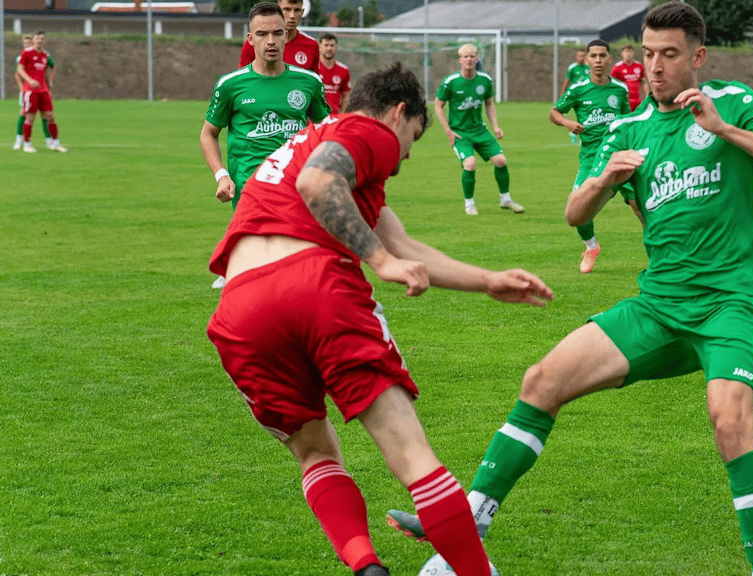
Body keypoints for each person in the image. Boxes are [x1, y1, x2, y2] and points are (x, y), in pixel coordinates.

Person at [386, 4, 753, 576]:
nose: (656, 67)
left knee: (729, 420)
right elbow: (573, 213)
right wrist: (605, 181)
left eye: (669, 54)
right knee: (542, 380)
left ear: (697, 57)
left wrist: (723, 130)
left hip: (727, 305)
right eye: (648, 54)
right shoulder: (629, 129)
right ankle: (467, 533)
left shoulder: (732, 102)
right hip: (658, 307)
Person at [206, 61, 553, 576]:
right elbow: (320, 183)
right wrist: (379, 261)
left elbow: (403, 243)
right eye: (413, 136)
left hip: (239, 310)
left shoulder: (303, 143)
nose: (406, 154)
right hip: (314, 285)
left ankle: (366, 565)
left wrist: (488, 280)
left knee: (314, 453)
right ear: (397, 113)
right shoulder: (367, 131)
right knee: (412, 455)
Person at [201, 2, 331, 212]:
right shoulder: (230, 85)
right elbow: (208, 133)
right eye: (262, 34)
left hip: (296, 190)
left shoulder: (309, 82)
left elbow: (327, 132)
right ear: (250, 39)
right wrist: (221, 175)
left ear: (286, 36)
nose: (271, 41)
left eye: (277, 33)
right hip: (249, 192)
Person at [549, 39, 630, 273]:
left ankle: (662, 258)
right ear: (586, 59)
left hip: (619, 159)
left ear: (609, 59)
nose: (597, 60)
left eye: (602, 56)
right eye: (593, 56)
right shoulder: (578, 88)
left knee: (643, 205)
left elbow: (628, 122)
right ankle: (591, 247)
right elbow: (554, 112)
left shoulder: (620, 90)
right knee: (578, 208)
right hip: (590, 160)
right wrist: (567, 122)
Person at [435, 44, 524, 215]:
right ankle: (469, 204)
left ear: (476, 59)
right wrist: (448, 130)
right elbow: (438, 106)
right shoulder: (451, 82)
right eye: (465, 57)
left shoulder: (485, 80)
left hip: (480, 131)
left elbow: (489, 103)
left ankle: (506, 199)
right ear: (460, 60)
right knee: (470, 164)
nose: (469, 59)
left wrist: (495, 126)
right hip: (460, 133)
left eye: (472, 56)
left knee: (500, 160)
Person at [17, 31, 67, 153]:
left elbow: (52, 67)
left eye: (42, 38)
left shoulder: (45, 55)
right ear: (34, 40)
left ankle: (56, 143)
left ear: (44, 41)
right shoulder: (26, 53)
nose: (40, 40)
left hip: (43, 90)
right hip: (30, 90)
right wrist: (29, 80)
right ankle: (27, 144)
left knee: (50, 116)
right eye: (37, 38)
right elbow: (20, 68)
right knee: (30, 118)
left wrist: (50, 80)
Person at [238, 0, 318, 71]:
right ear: (278, 11)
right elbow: (243, 78)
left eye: (297, 10)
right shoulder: (254, 43)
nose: (292, 16)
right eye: (287, 9)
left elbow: (313, 83)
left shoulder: (312, 45)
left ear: (302, 12)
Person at [12, 34, 53, 151]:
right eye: (24, 44)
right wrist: (22, 87)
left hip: (40, 90)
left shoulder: (42, 54)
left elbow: (48, 69)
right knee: (24, 113)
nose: (27, 46)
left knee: (45, 115)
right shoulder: (21, 56)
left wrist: (48, 84)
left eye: (28, 43)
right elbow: (17, 73)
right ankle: (19, 140)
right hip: (28, 90)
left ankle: (49, 140)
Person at [317, 32, 351, 113]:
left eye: (332, 46)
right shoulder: (312, 68)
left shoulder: (344, 70)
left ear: (336, 47)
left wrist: (341, 115)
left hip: (334, 118)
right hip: (315, 119)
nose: (329, 48)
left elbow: (346, 96)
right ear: (319, 47)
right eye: (326, 45)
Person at [610, 44, 649, 111]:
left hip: (637, 101)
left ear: (633, 53)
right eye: (626, 52)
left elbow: (643, 82)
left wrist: (647, 96)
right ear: (622, 54)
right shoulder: (617, 67)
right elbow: (612, 84)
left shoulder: (639, 66)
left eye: (630, 52)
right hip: (624, 100)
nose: (628, 54)